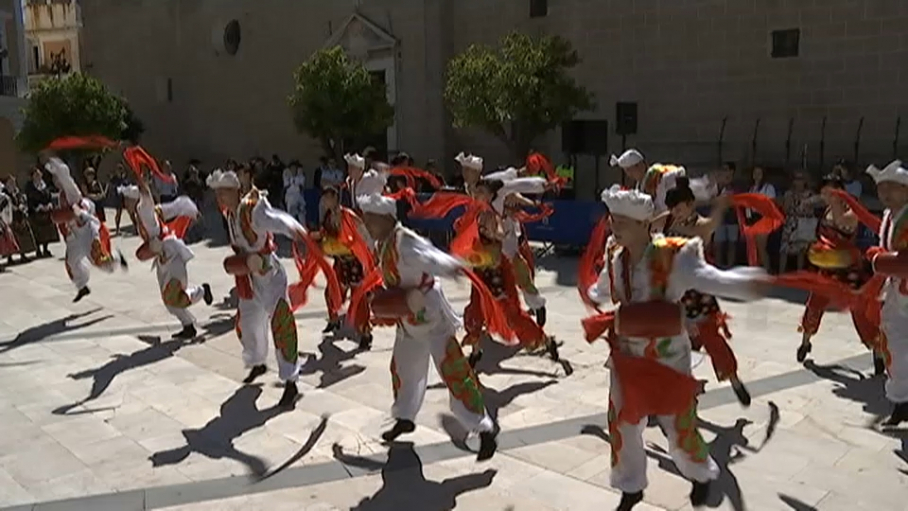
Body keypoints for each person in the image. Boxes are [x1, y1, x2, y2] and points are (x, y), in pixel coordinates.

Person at [586, 185, 767, 510]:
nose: (615, 227)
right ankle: (631, 486)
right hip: (627, 357)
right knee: (622, 423)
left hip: (668, 357)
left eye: (622, 222)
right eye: (613, 220)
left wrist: (746, 284)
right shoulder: (616, 258)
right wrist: (594, 295)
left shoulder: (673, 254)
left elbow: (710, 278)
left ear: (644, 224)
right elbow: (602, 289)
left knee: (678, 423)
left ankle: (700, 474)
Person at [355, 174, 499, 461]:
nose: (367, 225)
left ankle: (483, 429)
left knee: (454, 372)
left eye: (370, 220)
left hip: (431, 315)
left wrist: (453, 267)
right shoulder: (383, 242)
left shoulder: (405, 241)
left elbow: (432, 257)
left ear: (385, 219)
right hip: (408, 316)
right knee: (403, 368)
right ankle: (405, 416)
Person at [207, 168, 307, 407]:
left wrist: (296, 231)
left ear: (236, 192)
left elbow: (275, 219)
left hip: (269, 275)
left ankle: (291, 381)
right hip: (248, 278)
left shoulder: (251, 209)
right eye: (218, 194)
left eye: (225, 193)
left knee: (281, 325)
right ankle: (258, 361)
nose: (221, 198)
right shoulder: (230, 215)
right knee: (247, 323)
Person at [664, 177, 752, 406]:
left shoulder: (701, 226)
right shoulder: (666, 222)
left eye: (680, 208)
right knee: (674, 345)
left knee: (711, 338)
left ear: (690, 204)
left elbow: (713, 223)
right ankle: (681, 390)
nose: (676, 212)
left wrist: (721, 205)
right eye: (672, 208)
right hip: (674, 293)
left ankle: (733, 379)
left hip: (698, 292)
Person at [797, 174, 883, 370]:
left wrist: (837, 198)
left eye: (830, 191)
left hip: (849, 269)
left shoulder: (852, 210)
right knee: (814, 304)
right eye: (824, 191)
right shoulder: (826, 208)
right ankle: (805, 342)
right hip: (827, 267)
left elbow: (842, 222)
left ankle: (877, 352)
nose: (826, 195)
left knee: (859, 311)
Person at [119, 168, 213, 339]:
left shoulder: (143, 210)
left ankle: (201, 291)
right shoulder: (149, 213)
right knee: (169, 301)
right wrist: (190, 210)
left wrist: (141, 182)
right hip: (162, 257)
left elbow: (147, 198)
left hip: (172, 253)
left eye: (127, 199)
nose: (125, 203)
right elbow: (177, 205)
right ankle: (188, 326)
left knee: (173, 297)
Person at [43, 152, 128, 302]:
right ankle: (82, 286)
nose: (55, 180)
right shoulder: (59, 196)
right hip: (73, 236)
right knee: (71, 262)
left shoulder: (72, 193)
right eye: (54, 178)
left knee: (100, 261)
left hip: (87, 230)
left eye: (56, 178)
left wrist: (53, 163)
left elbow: (66, 176)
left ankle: (116, 258)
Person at [865, 160, 908, 426]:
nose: (885, 193)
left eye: (892, 187)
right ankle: (902, 401)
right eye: (882, 188)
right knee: (894, 341)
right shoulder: (891, 217)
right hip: (896, 291)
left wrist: (877, 261)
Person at [311, 185, 374, 349]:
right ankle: (334, 321)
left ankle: (366, 333)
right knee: (331, 292)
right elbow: (325, 235)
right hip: (340, 260)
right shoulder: (328, 216)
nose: (324, 201)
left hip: (354, 261)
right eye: (324, 198)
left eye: (327, 197)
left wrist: (370, 253)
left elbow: (363, 233)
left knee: (358, 299)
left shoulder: (348, 215)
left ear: (334, 197)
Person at [610, 149, 685, 230]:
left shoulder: (660, 177)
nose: (629, 175)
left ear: (639, 165)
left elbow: (672, 209)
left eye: (629, 170)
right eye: (626, 171)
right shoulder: (639, 186)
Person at [778, 171, 821, 273]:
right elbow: (784, 210)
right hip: (790, 223)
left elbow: (818, 206)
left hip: (804, 223)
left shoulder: (810, 194)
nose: (798, 182)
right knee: (784, 249)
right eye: (796, 179)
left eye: (801, 179)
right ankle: (781, 273)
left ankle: (799, 273)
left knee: (801, 251)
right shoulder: (789, 193)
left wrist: (809, 203)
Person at [25, 166, 59, 257]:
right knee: (38, 233)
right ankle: (38, 251)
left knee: (47, 232)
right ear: (32, 176)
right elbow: (30, 199)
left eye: (39, 174)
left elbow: (49, 196)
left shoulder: (44, 185)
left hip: (46, 211)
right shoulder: (30, 186)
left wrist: (49, 204)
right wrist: (38, 207)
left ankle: (45, 249)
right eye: (36, 175)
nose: (39, 176)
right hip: (35, 212)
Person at [746, 166, 776, 272]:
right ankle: (758, 270)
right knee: (754, 248)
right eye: (755, 173)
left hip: (764, 218)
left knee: (761, 247)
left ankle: (767, 270)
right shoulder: (751, 188)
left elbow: (771, 204)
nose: (756, 175)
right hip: (753, 218)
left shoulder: (768, 188)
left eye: (759, 173)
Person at [4, 176, 37, 262]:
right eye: (10, 182)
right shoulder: (4, 194)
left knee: (23, 236)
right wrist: (13, 207)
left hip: (20, 215)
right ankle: (9, 257)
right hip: (10, 217)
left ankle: (23, 254)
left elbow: (21, 200)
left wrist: (22, 206)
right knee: (11, 238)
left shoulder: (17, 192)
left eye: (13, 182)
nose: (13, 184)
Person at [712, 162, 739, 267]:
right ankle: (718, 266)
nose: (724, 172)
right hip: (719, 218)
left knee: (732, 245)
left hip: (733, 218)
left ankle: (730, 266)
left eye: (726, 169)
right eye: (723, 169)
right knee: (718, 244)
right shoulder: (718, 184)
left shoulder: (736, 185)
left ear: (732, 171)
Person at [283, 160, 307, 225]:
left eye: (295, 168)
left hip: (299, 198)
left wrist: (295, 183)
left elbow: (301, 187)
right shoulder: (286, 175)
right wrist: (291, 181)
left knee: (302, 216)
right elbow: (286, 186)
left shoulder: (301, 176)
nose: (293, 170)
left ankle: (304, 231)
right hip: (290, 198)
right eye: (292, 168)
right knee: (291, 217)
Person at [109, 163, 130, 235]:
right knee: (118, 213)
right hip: (117, 197)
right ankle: (117, 228)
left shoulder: (123, 178)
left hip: (123, 197)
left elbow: (126, 184)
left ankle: (118, 228)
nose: (120, 171)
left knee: (123, 212)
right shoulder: (114, 179)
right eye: (119, 170)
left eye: (121, 169)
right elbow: (112, 186)